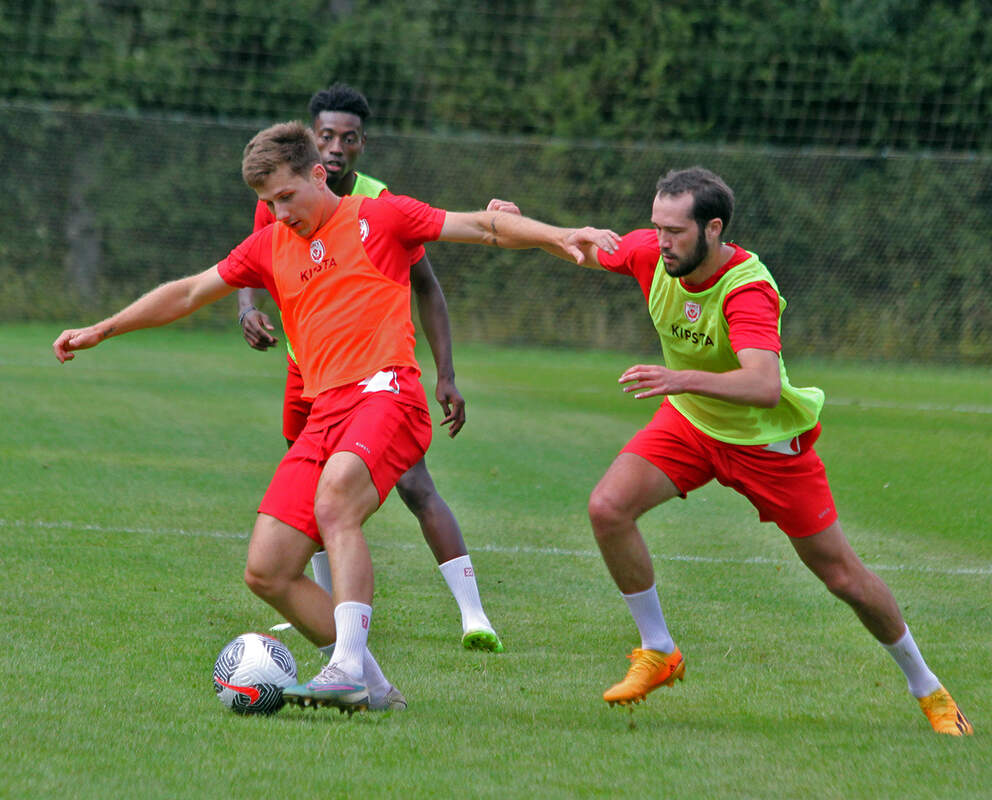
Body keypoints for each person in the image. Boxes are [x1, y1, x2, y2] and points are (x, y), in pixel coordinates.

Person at [52, 121, 620, 713]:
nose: (278, 212)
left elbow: (483, 224)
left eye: (286, 197)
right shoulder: (269, 245)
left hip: (388, 393)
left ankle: (344, 667)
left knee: (335, 500)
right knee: (267, 570)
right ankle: (372, 687)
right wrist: (103, 328)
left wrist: (562, 234)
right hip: (327, 412)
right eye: (266, 203)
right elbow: (190, 292)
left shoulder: (380, 216)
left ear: (317, 174)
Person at [545, 166, 969, 735]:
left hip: (765, 443)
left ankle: (929, 689)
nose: (661, 241)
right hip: (692, 427)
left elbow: (763, 385)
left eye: (675, 231)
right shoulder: (653, 254)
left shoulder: (748, 289)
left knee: (843, 577)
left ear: (713, 228)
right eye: (656, 227)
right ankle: (658, 650)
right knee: (607, 508)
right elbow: (576, 245)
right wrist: (525, 224)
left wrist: (681, 378)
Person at [235, 84, 503, 653]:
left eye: (347, 138)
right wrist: (247, 308)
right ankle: (338, 628)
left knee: (413, 485)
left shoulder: (378, 204)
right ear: (310, 141)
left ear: (361, 145)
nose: (336, 147)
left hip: (375, 377)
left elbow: (428, 289)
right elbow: (251, 261)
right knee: (312, 499)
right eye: (326, 136)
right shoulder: (276, 194)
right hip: (307, 374)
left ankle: (473, 614)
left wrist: (446, 372)